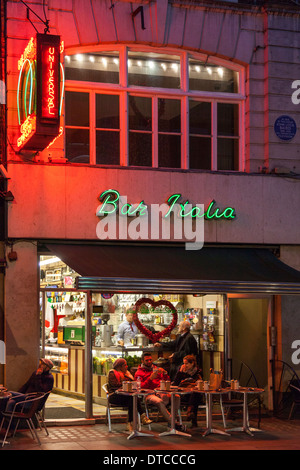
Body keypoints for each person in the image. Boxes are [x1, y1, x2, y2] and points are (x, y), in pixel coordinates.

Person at [134, 352, 186, 432]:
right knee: (159, 401)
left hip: (162, 392)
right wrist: (150, 379)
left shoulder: (156, 369)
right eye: (147, 360)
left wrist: (165, 374)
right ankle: (174, 423)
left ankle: (170, 423)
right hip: (149, 394)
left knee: (176, 397)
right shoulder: (139, 373)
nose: (149, 362)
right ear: (142, 361)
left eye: (150, 360)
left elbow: (167, 382)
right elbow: (140, 388)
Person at [107, 358, 151, 431]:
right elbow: (114, 385)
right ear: (119, 366)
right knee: (132, 399)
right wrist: (126, 384)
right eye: (125, 365)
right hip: (114, 395)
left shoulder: (127, 373)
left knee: (132, 399)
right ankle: (142, 417)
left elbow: (133, 383)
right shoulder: (112, 373)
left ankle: (131, 422)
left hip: (126, 396)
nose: (127, 366)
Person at [172, 355, 202, 427]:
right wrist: (180, 373)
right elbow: (175, 384)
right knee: (195, 397)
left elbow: (200, 382)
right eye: (184, 363)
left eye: (186, 363)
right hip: (183, 394)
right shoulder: (181, 371)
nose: (184, 365)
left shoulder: (197, 372)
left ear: (192, 364)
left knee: (195, 393)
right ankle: (190, 413)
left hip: (192, 394)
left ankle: (190, 411)